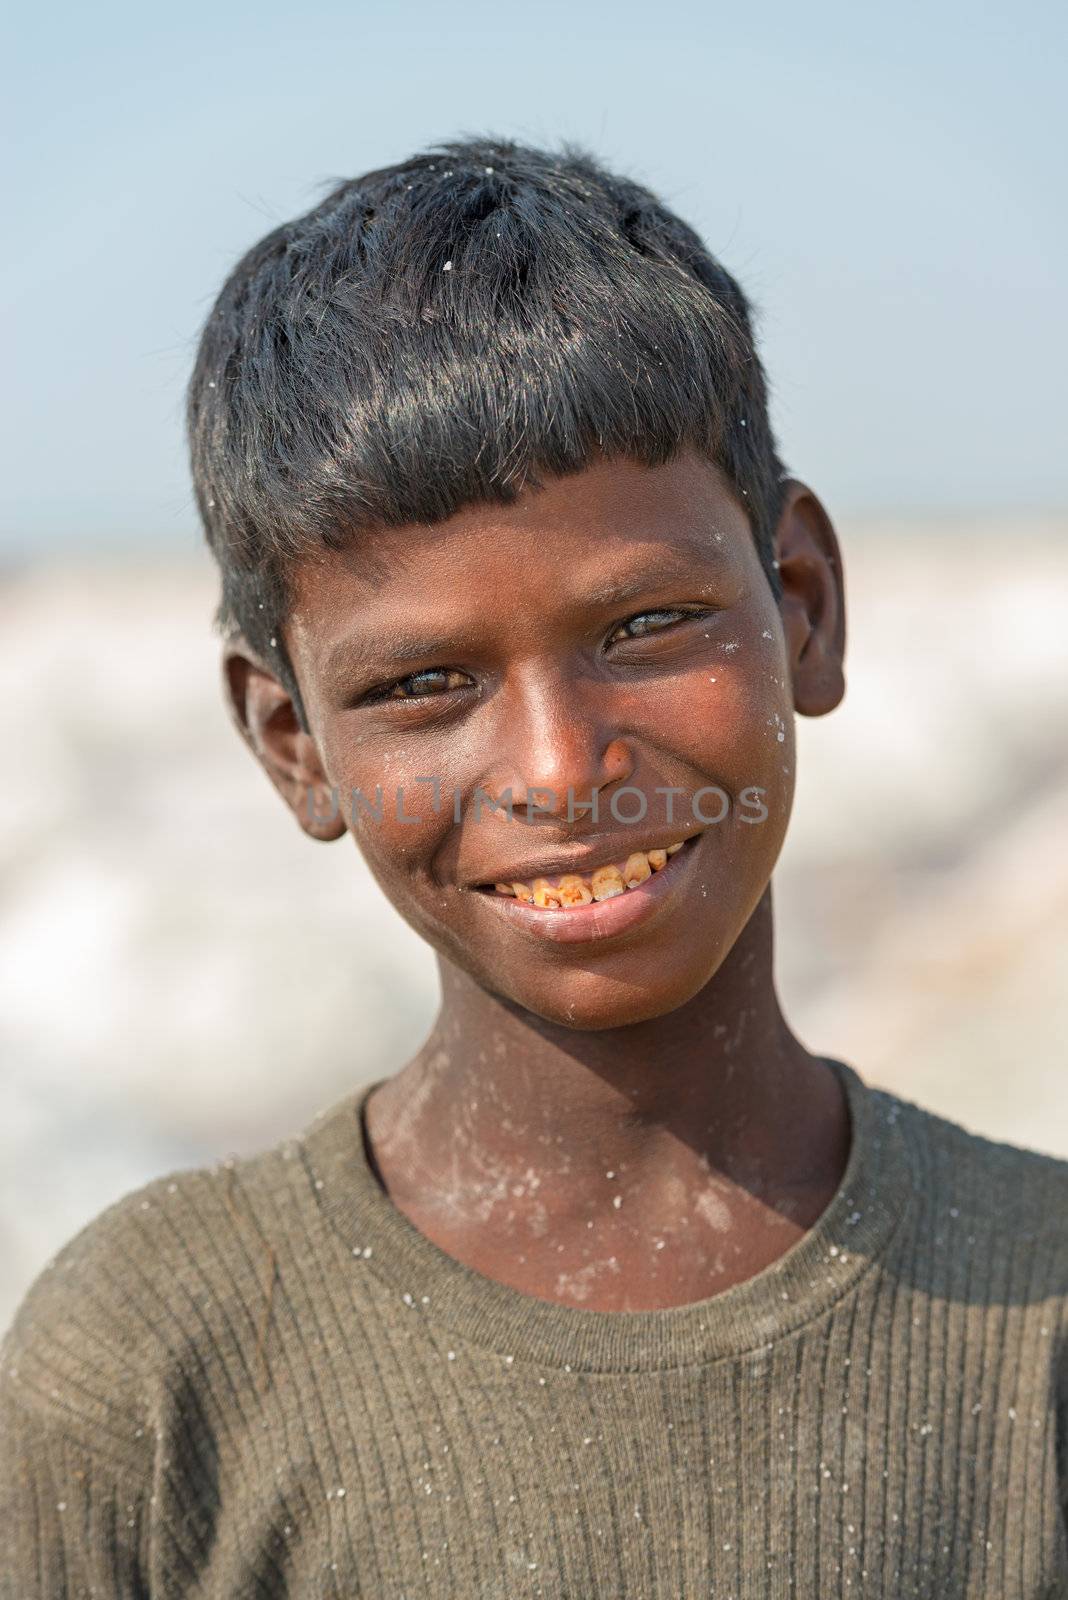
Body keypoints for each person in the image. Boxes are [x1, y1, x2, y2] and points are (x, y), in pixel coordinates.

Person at [2, 135, 1065, 1599]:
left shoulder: (1043, 1306)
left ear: (803, 608)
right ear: (292, 744)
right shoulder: (155, 1362)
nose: (563, 769)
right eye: (426, 683)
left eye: (645, 628)